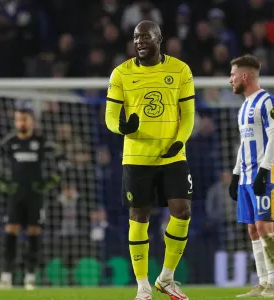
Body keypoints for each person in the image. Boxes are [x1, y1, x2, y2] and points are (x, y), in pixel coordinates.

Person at [105, 20, 195, 300]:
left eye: (145, 36)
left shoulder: (180, 70)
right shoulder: (121, 73)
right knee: (139, 216)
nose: (140, 41)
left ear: (159, 38)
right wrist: (123, 128)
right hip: (137, 157)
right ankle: (143, 285)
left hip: (172, 155)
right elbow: (110, 117)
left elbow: (188, 115)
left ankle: (166, 277)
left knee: (182, 211)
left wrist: (179, 141)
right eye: (135, 37)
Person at [0, 100, 67, 290]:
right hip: (16, 195)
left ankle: (30, 278)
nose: (21, 123)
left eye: (25, 119)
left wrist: (52, 181)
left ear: (32, 121)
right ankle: (6, 278)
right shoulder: (10, 142)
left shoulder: (42, 142)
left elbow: (62, 161)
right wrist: (1, 181)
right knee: (11, 231)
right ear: (15, 121)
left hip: (35, 196)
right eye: (18, 119)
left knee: (33, 233)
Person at [228, 54, 274, 297]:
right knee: (252, 230)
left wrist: (264, 169)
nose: (230, 80)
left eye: (233, 75)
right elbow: (244, 143)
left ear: (245, 76)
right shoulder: (243, 107)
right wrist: (235, 174)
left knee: (265, 228)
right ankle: (262, 282)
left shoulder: (268, 101)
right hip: (246, 176)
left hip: (264, 174)